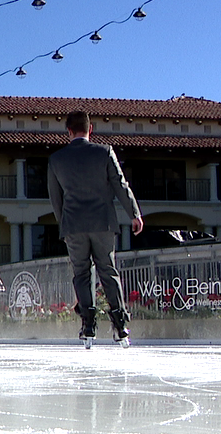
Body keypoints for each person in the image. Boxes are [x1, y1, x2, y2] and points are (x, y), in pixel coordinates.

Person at [47, 110, 144, 344]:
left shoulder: (57, 159)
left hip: (74, 224)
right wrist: (134, 214)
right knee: (108, 271)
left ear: (68, 132)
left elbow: (55, 198)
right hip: (103, 222)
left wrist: (64, 223)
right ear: (91, 129)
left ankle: (88, 325)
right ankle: (120, 326)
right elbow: (121, 185)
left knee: (81, 273)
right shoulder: (105, 152)